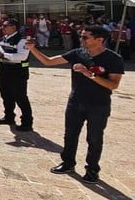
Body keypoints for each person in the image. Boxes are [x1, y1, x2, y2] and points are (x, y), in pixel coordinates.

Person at [26, 25, 124, 184]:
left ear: (99, 40)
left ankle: (92, 170)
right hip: (75, 102)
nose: (81, 39)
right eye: (81, 36)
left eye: (85, 37)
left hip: (99, 105)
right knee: (70, 135)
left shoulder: (113, 59)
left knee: (94, 138)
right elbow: (49, 62)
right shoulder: (78, 53)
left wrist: (89, 74)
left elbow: (113, 85)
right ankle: (68, 163)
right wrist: (32, 49)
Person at [0, 18, 34, 131]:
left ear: (13, 27)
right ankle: (9, 117)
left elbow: (22, 56)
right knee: (6, 96)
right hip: (4, 71)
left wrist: (3, 55)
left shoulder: (22, 40)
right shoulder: (3, 38)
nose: (2, 28)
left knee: (20, 97)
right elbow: (0, 49)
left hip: (17, 73)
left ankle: (27, 122)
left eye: (5, 26)